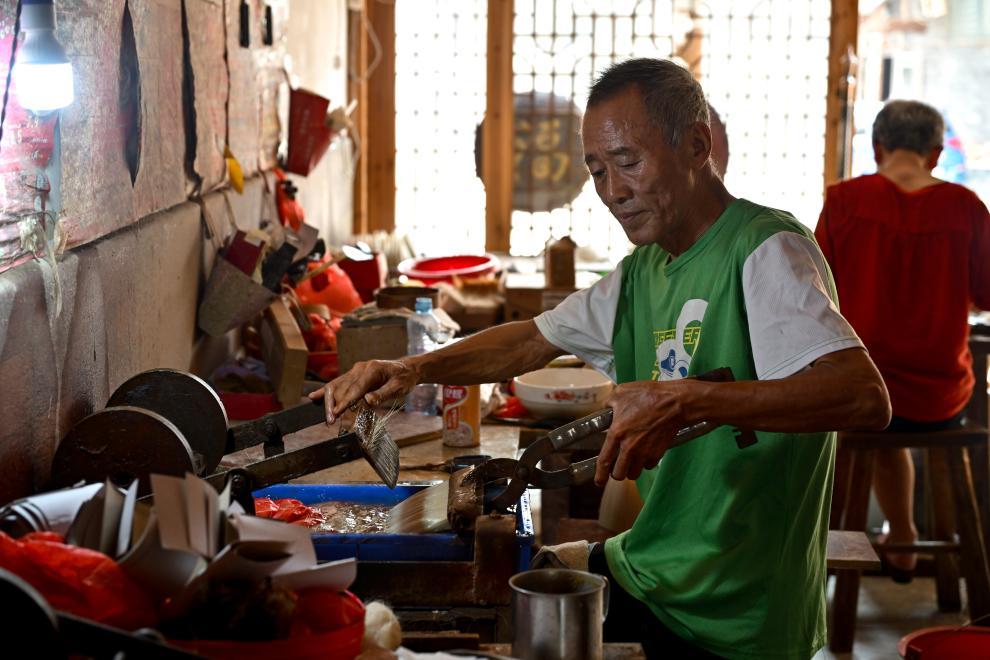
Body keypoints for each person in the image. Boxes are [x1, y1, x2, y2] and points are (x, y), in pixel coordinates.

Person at [314, 58, 891, 658]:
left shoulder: (765, 249)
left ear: (696, 145)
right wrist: (413, 369)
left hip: (736, 608)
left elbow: (861, 395)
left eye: (629, 162)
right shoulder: (643, 271)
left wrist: (687, 397)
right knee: (526, 586)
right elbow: (529, 340)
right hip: (653, 567)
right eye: (597, 170)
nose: (613, 191)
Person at [815, 100, 990, 582]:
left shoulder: (845, 201)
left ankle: (886, 541)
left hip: (860, 392)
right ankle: (906, 539)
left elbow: (813, 290)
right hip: (940, 397)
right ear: (935, 155)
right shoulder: (966, 208)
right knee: (888, 420)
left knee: (874, 420)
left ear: (877, 148)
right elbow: (987, 293)